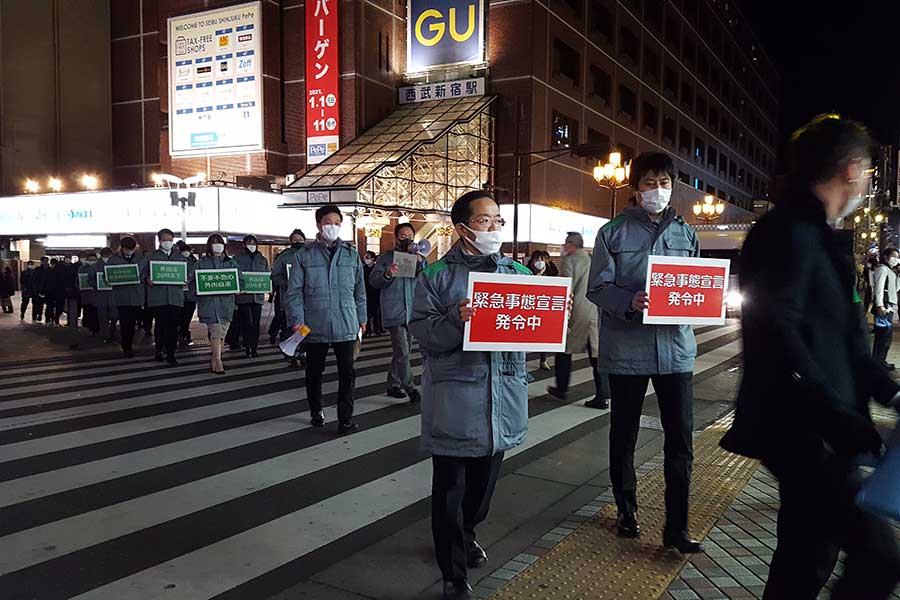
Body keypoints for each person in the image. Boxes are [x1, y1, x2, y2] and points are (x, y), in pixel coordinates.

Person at [721, 115, 900, 600]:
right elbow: (776, 333)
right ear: (852, 168)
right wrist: (839, 417)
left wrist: (889, 390)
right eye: (867, 173)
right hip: (806, 431)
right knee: (878, 556)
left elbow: (841, 337)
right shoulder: (789, 231)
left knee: (806, 554)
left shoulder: (813, 232)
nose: (867, 183)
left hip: (815, 427)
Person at [410, 191, 531, 600]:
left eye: (498, 220)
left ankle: (466, 533)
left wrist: (551, 316)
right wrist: (456, 320)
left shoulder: (517, 273)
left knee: (481, 492)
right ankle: (453, 573)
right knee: (450, 492)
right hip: (455, 399)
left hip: (503, 398)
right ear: (462, 228)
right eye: (485, 221)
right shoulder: (435, 276)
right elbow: (424, 334)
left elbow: (531, 334)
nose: (495, 228)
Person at [587, 151, 702, 553]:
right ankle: (627, 509)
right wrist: (629, 301)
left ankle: (677, 528)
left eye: (665, 183)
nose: (658, 190)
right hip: (627, 349)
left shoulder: (686, 234)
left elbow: (694, 287)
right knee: (625, 435)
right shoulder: (612, 233)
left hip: (676, 351)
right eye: (649, 183)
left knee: (681, 441)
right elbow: (597, 288)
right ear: (635, 189)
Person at [286, 204, 367, 434]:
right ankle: (316, 410)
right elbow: (294, 292)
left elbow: (359, 290)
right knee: (314, 371)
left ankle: (345, 418)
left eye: (337, 222)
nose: (333, 226)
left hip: (346, 321)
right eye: (328, 222)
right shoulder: (304, 255)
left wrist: (362, 317)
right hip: (314, 324)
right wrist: (297, 320)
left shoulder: (351, 254)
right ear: (319, 225)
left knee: (347, 372)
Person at [547, 232, 610, 409]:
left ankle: (561, 387)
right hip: (594, 309)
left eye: (566, 243)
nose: (564, 247)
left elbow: (567, 286)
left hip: (577, 311)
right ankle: (603, 395)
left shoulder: (570, 260)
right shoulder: (591, 259)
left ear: (572, 245)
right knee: (596, 354)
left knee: (564, 349)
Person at [369, 223, 426, 402]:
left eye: (410, 235)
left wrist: (421, 264)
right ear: (396, 237)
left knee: (403, 351)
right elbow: (373, 281)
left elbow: (425, 280)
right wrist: (388, 273)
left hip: (412, 311)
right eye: (403, 236)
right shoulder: (385, 258)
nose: (407, 238)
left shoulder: (418, 258)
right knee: (402, 352)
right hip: (394, 310)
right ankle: (410, 387)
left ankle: (392, 384)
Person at [197, 234, 242, 374]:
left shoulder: (231, 262)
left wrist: (238, 288)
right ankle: (218, 360)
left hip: (226, 304)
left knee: (222, 332)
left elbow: (240, 279)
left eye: (220, 243)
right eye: (214, 243)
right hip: (210, 304)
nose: (217, 245)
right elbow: (194, 281)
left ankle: (215, 358)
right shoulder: (201, 263)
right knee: (216, 331)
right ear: (209, 246)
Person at [143, 228, 188, 365]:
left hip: (175, 298)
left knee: (173, 327)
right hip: (158, 298)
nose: (167, 242)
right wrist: (147, 279)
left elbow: (189, 273)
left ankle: (171, 354)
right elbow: (141, 273)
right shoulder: (151, 257)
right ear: (159, 240)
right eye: (165, 239)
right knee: (160, 326)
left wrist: (187, 279)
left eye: (170, 239)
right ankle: (159, 349)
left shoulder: (180, 257)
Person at [270, 229, 306, 361]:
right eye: (294, 239)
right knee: (291, 325)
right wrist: (287, 283)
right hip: (289, 297)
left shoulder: (310, 253)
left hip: (308, 298)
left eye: (300, 239)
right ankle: (289, 350)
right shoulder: (284, 256)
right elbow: (274, 276)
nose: (297, 241)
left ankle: (303, 351)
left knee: (305, 326)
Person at [108, 236, 145, 357]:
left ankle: (129, 344)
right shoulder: (113, 260)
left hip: (136, 297)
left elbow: (145, 274)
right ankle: (126, 346)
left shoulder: (141, 259)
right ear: (122, 248)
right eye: (127, 249)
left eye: (131, 249)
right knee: (125, 323)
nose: (129, 251)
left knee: (133, 323)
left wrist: (143, 279)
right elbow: (106, 276)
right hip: (121, 297)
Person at [234, 234, 269, 358]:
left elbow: (267, 276)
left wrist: (269, 289)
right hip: (243, 297)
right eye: (249, 243)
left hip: (257, 297)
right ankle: (247, 346)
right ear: (244, 245)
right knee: (247, 323)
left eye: (254, 243)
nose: (252, 246)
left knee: (256, 323)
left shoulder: (262, 259)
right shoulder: (237, 259)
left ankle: (254, 348)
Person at [872, 246, 899, 370]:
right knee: (883, 336)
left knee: (886, 337)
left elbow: (895, 288)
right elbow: (879, 288)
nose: (896, 259)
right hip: (884, 306)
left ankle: (880, 361)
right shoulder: (882, 269)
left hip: (889, 306)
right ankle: (877, 363)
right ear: (885, 257)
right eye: (893, 257)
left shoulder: (890, 271)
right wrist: (880, 305)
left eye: (897, 257)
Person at [527, 251, 554, 371]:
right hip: (528, 308)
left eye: (542, 260)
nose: (539, 263)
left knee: (544, 335)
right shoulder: (525, 273)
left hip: (543, 310)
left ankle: (543, 360)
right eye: (537, 259)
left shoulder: (551, 274)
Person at [92, 247, 118, 343]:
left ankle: (112, 329)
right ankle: (106, 335)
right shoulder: (95, 266)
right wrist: (97, 285)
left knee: (115, 315)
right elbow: (90, 280)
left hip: (113, 294)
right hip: (101, 295)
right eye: (106, 255)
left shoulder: (115, 264)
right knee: (102, 317)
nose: (107, 257)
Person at [177, 241, 198, 348]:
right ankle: (182, 331)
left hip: (191, 294)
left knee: (188, 315)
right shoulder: (176, 261)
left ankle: (184, 330)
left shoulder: (194, 261)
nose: (186, 253)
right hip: (179, 295)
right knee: (180, 315)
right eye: (184, 251)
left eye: (187, 251)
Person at [362, 251, 384, 338]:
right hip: (366, 292)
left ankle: (377, 328)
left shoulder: (376, 269)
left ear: (373, 259)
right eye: (365, 257)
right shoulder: (363, 268)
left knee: (377, 312)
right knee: (367, 312)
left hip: (375, 291)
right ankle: (368, 330)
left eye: (368, 257)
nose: (366, 259)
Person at [79, 253, 99, 335]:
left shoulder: (98, 267)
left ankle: (96, 329)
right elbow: (79, 279)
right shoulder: (82, 268)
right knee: (88, 311)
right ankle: (89, 328)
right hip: (86, 294)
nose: (92, 262)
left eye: (94, 260)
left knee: (96, 312)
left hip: (97, 294)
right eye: (90, 260)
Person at [31, 256, 50, 322]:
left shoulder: (50, 270)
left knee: (49, 305)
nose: (45, 262)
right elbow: (34, 279)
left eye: (46, 261)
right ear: (41, 262)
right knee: (38, 304)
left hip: (48, 290)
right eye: (44, 261)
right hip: (39, 290)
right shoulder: (37, 269)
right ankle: (38, 316)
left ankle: (47, 318)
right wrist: (35, 289)